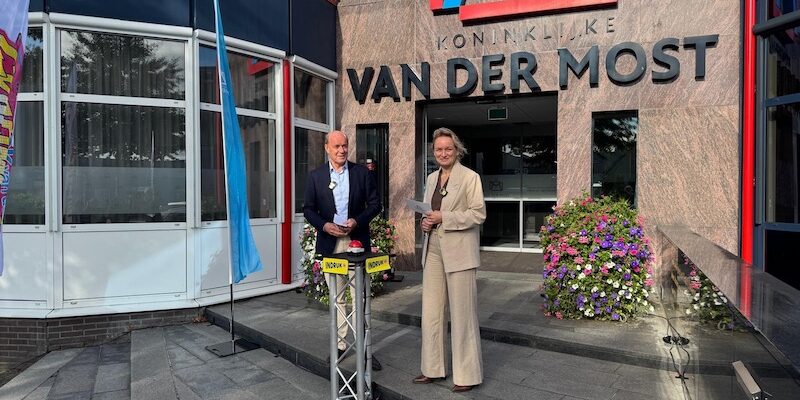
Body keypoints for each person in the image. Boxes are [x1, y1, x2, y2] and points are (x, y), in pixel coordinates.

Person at [303, 130, 383, 371]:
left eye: (345, 145)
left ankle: (364, 347)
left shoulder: (361, 173)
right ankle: (339, 345)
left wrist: (357, 221)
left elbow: (375, 204)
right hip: (331, 244)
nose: (342, 150)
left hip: (356, 243)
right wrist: (324, 225)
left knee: (360, 296)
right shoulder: (316, 176)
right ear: (327, 148)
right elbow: (308, 209)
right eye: (337, 146)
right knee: (336, 297)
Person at [414, 127, 485, 392]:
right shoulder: (431, 178)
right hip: (433, 248)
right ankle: (432, 368)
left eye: (448, 149)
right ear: (433, 152)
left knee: (462, 315)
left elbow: (478, 214)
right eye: (438, 149)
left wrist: (445, 217)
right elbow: (429, 212)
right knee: (431, 312)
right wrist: (425, 223)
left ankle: (467, 375)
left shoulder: (470, 177)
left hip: (460, 252)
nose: (443, 153)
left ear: (457, 150)